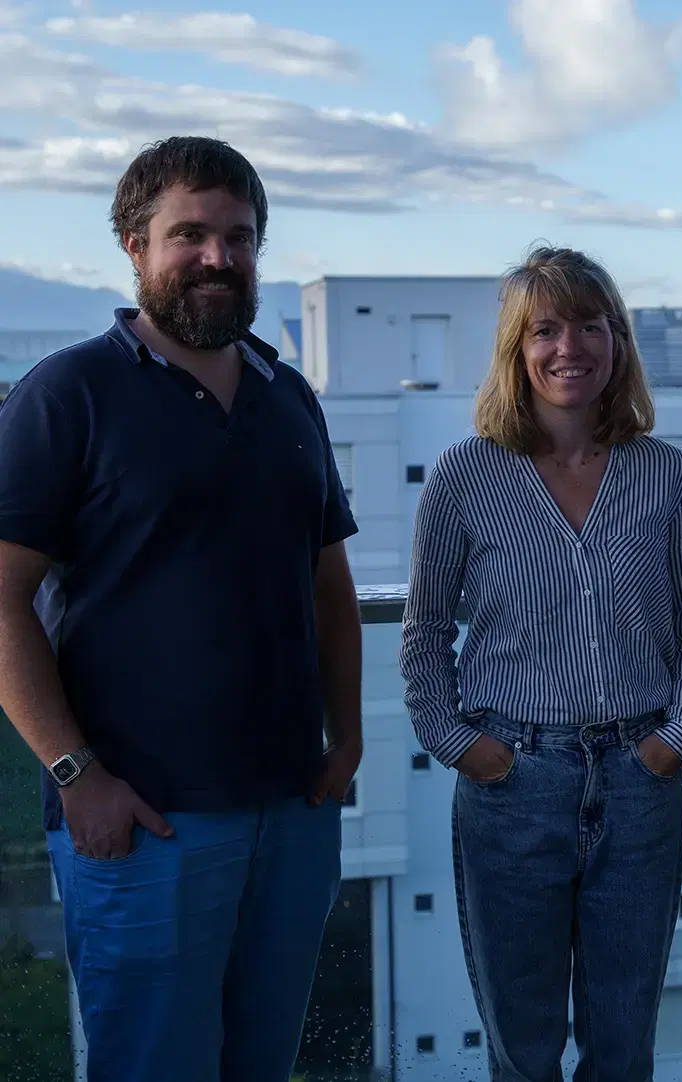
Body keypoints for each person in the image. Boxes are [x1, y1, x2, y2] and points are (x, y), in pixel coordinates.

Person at [0, 137, 362, 1082]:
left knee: (261, 1066)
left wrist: (350, 739)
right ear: (135, 245)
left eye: (238, 237)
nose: (217, 257)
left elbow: (329, 583)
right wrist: (75, 774)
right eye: (189, 235)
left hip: (292, 810)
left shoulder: (290, 397)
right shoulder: (69, 394)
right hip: (145, 823)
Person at [400, 246, 682, 1082]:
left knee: (623, 1046)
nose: (568, 347)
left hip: (640, 783)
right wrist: (462, 746)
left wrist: (675, 741)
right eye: (545, 329)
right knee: (523, 1048)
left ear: (618, 342)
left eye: (589, 326)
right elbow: (424, 631)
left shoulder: (664, 474)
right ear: (517, 348)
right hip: (513, 784)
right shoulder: (464, 476)